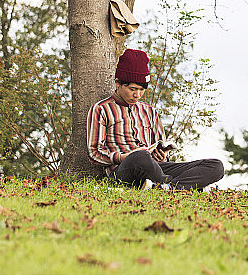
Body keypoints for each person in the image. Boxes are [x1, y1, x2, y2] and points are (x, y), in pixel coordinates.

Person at [87, 48, 224, 190]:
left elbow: (160, 146)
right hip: (124, 169)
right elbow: (94, 153)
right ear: (118, 83)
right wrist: (124, 157)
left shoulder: (150, 111)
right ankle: (182, 187)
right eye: (133, 89)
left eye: (141, 90)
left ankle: (167, 187)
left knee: (215, 166)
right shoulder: (101, 109)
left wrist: (162, 156)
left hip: (155, 167)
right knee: (140, 157)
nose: (137, 95)